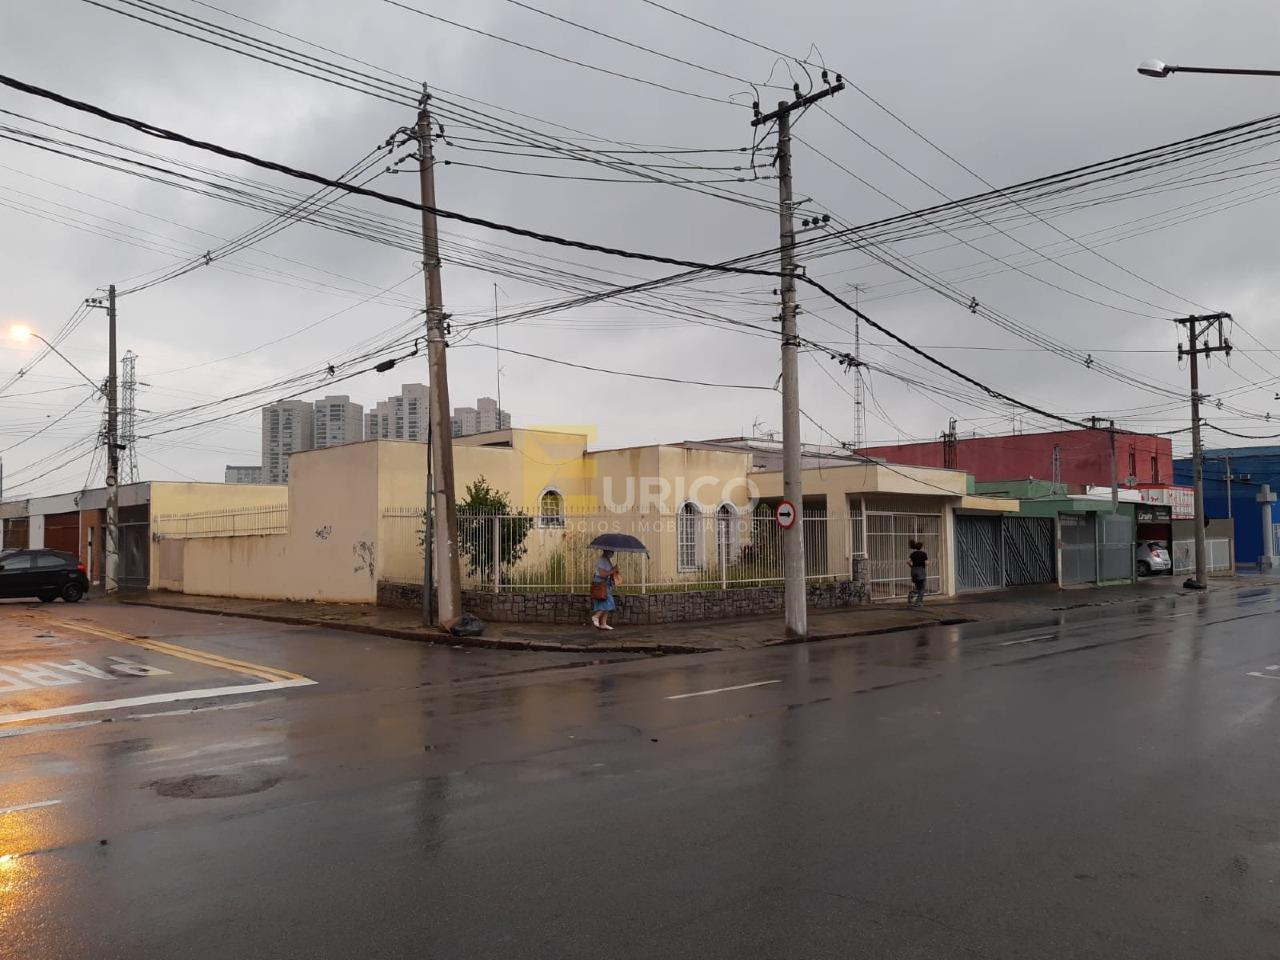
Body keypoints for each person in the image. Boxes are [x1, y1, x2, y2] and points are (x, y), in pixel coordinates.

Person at [591, 549, 619, 630]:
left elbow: (608, 572)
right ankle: (596, 616)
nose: (612, 553)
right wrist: (613, 570)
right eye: (611, 552)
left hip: (605, 584)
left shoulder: (606, 560)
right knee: (609, 603)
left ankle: (603, 623)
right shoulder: (602, 560)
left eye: (613, 552)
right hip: (601, 584)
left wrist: (614, 570)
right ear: (606, 551)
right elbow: (602, 574)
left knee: (606, 602)